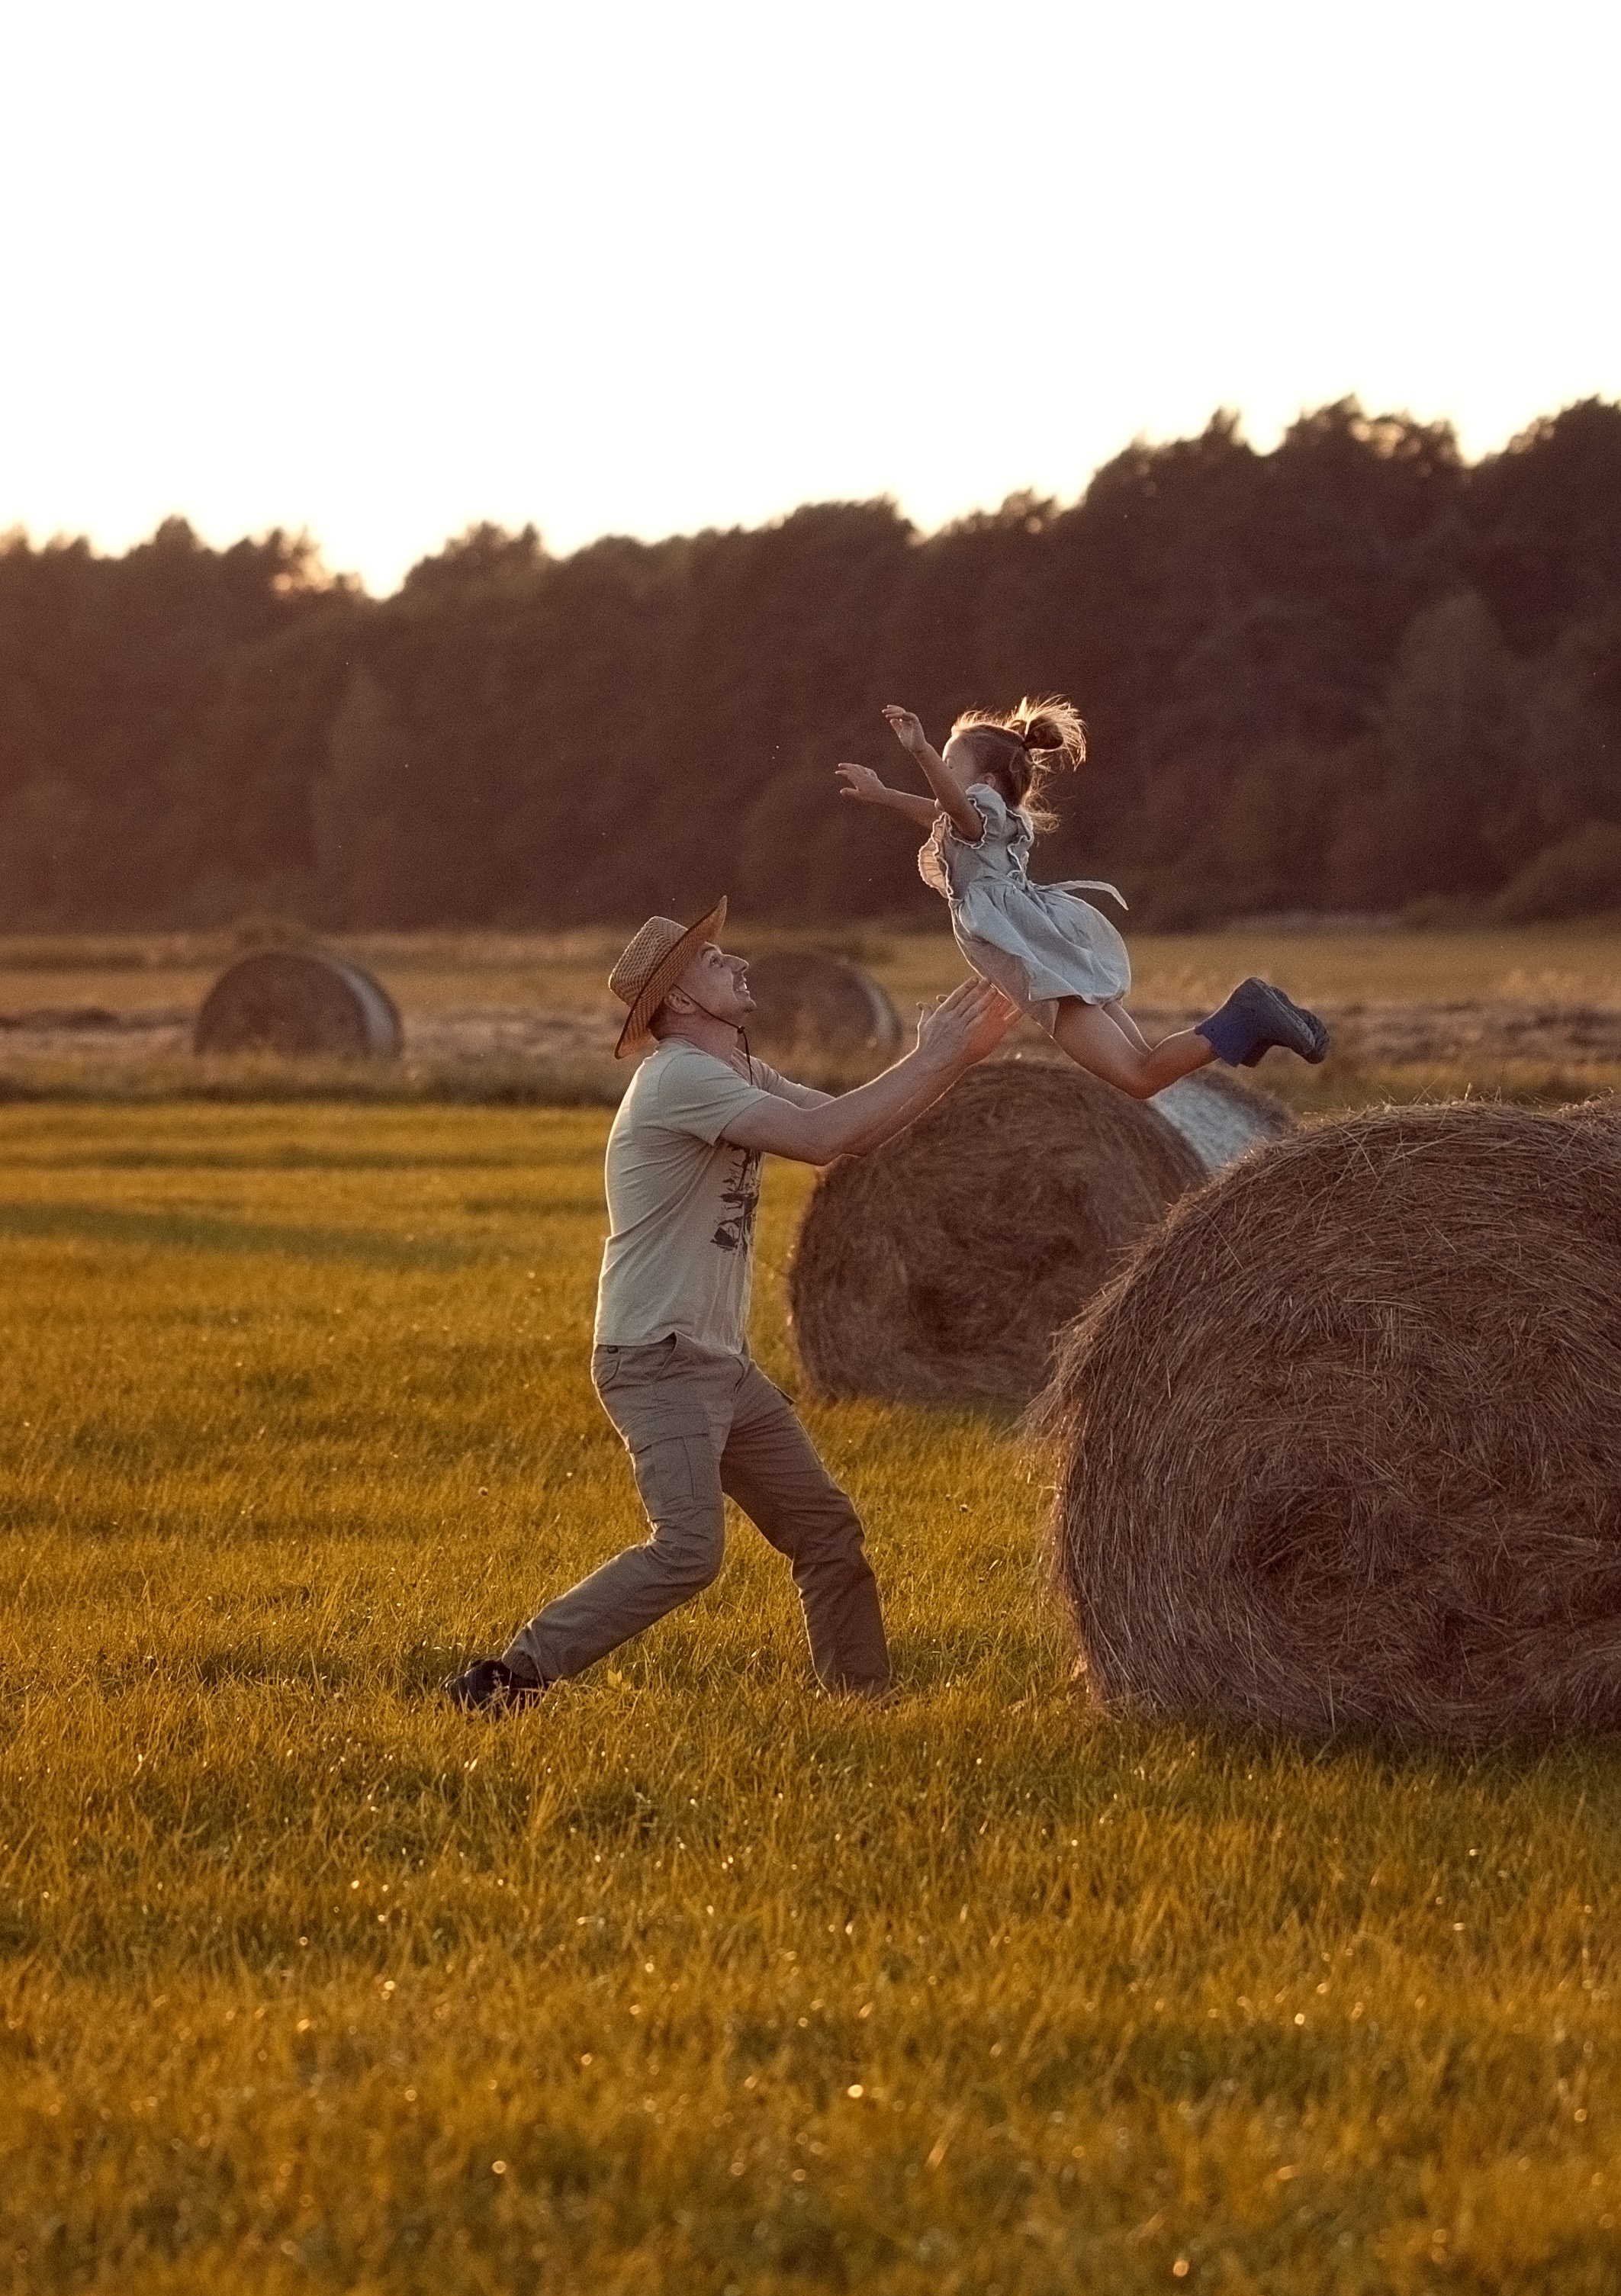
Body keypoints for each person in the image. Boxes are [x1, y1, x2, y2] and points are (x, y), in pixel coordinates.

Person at [444, 897, 1018, 1714]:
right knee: (688, 1550)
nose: (739, 964)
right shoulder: (678, 1078)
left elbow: (846, 1126)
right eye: (715, 962)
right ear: (678, 1001)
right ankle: (509, 1677)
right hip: (658, 1357)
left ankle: (861, 1707)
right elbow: (825, 1142)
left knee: (825, 1531)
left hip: (718, 1362)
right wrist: (936, 1055)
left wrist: (953, 1061)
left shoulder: (735, 1074)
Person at [835, 700, 1330, 1098]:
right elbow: (943, 814)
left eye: (948, 764)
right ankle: (1253, 1026)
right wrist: (883, 796)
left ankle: (1246, 1014)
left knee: (1138, 1078)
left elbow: (953, 808)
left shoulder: (978, 810)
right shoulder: (985, 821)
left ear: (985, 782)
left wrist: (919, 750)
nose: (940, 771)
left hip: (1046, 977)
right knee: (1145, 1065)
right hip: (1054, 959)